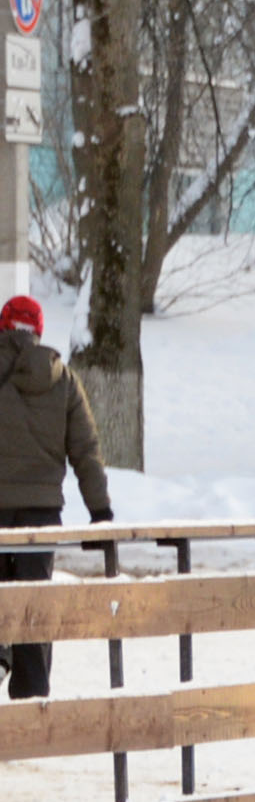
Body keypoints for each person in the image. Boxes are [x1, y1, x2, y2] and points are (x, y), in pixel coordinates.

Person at [0, 294, 109, 701]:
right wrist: (101, 512)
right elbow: (85, 449)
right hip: (41, 515)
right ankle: (33, 699)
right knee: (34, 605)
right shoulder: (62, 379)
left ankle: (0, 652)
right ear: (40, 329)